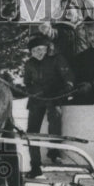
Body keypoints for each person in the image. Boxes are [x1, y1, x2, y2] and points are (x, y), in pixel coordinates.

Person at [22, 33, 73, 178]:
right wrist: (32, 91)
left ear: (46, 49)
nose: (38, 53)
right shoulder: (29, 64)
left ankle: (54, 152)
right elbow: (27, 82)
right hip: (36, 100)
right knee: (32, 131)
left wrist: (65, 89)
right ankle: (35, 165)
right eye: (34, 50)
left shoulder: (56, 59)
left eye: (40, 49)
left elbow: (68, 77)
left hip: (54, 97)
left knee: (55, 117)